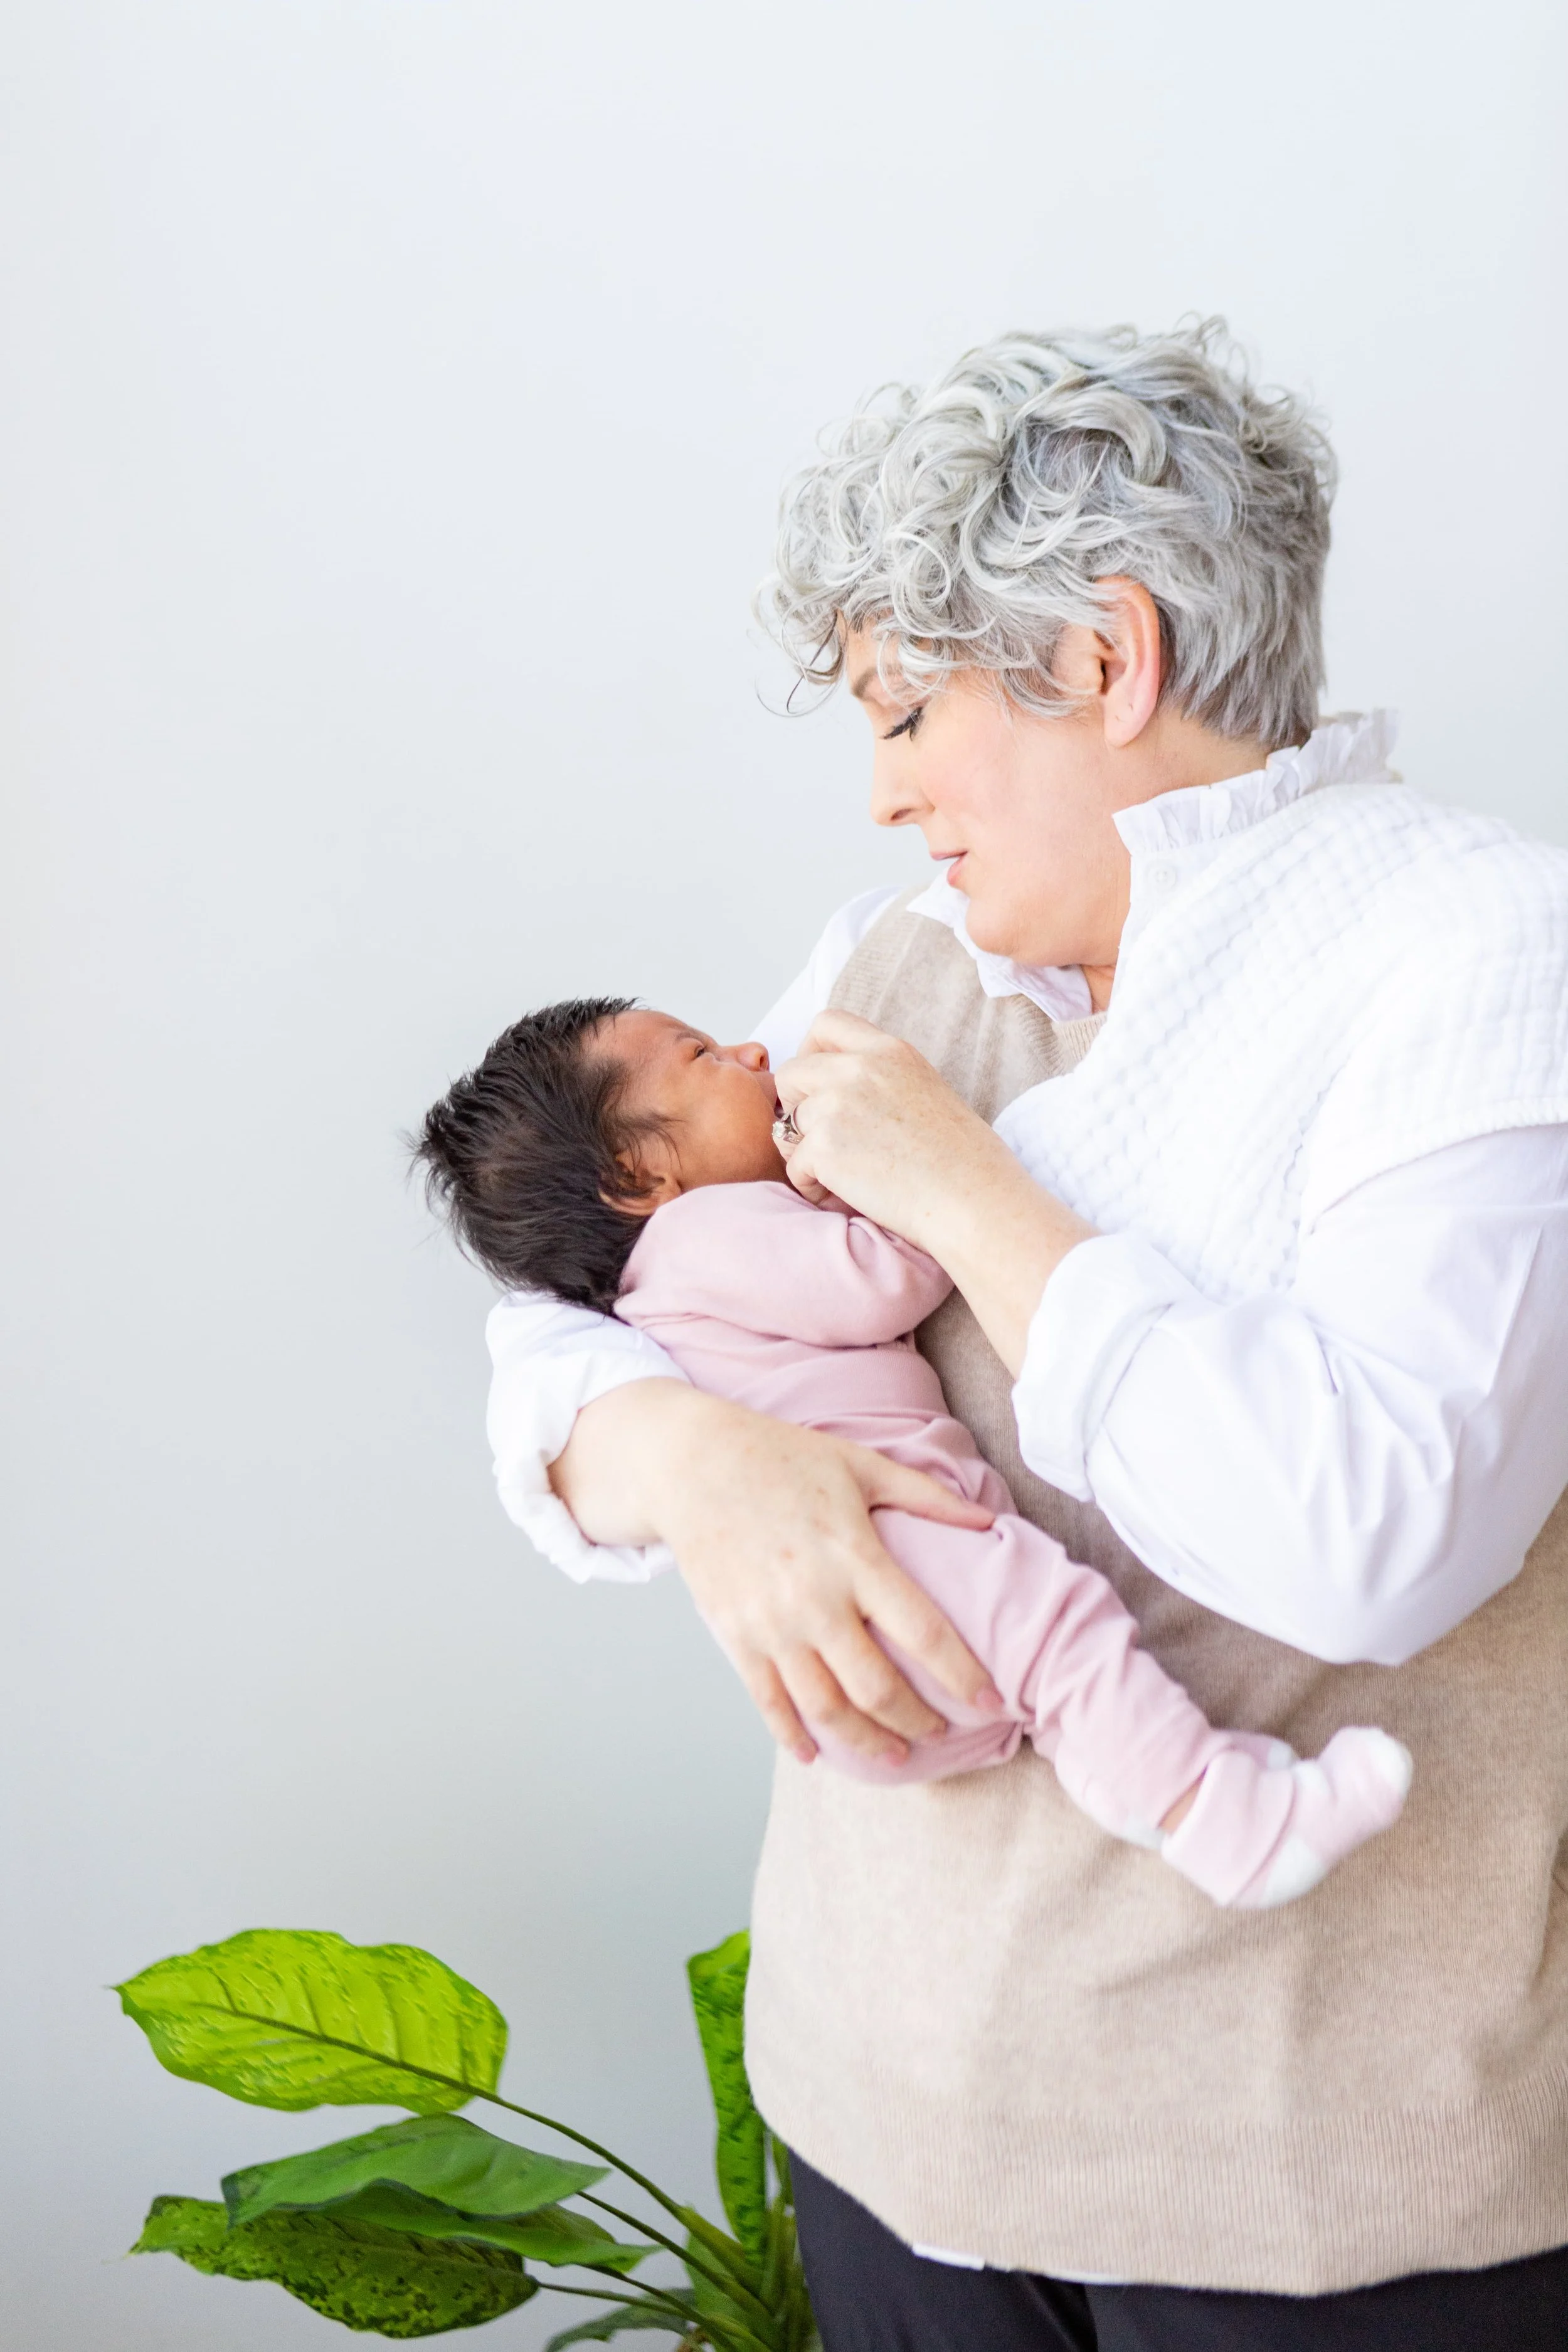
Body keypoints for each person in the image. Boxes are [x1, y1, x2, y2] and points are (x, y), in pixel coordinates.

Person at [479, 323, 1568, 2346]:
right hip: (882, 2121)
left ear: (1104, 660)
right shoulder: (900, 960)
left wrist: (973, 1192)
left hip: (1304, 2201)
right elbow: (581, 1303)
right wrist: (702, 1471)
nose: (884, 795)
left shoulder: (1481, 956)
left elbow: (1379, 1542)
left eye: (908, 712)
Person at [414, 995, 1412, 1904]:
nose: (755, 1046)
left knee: (1049, 1666)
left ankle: (1139, 1776)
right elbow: (882, 1280)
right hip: (883, 1549)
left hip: (869, 1642)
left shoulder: (665, 1279)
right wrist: (913, 1172)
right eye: (705, 1054)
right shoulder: (706, 1235)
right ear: (641, 1177)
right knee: (1060, 1628)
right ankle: (1222, 1817)